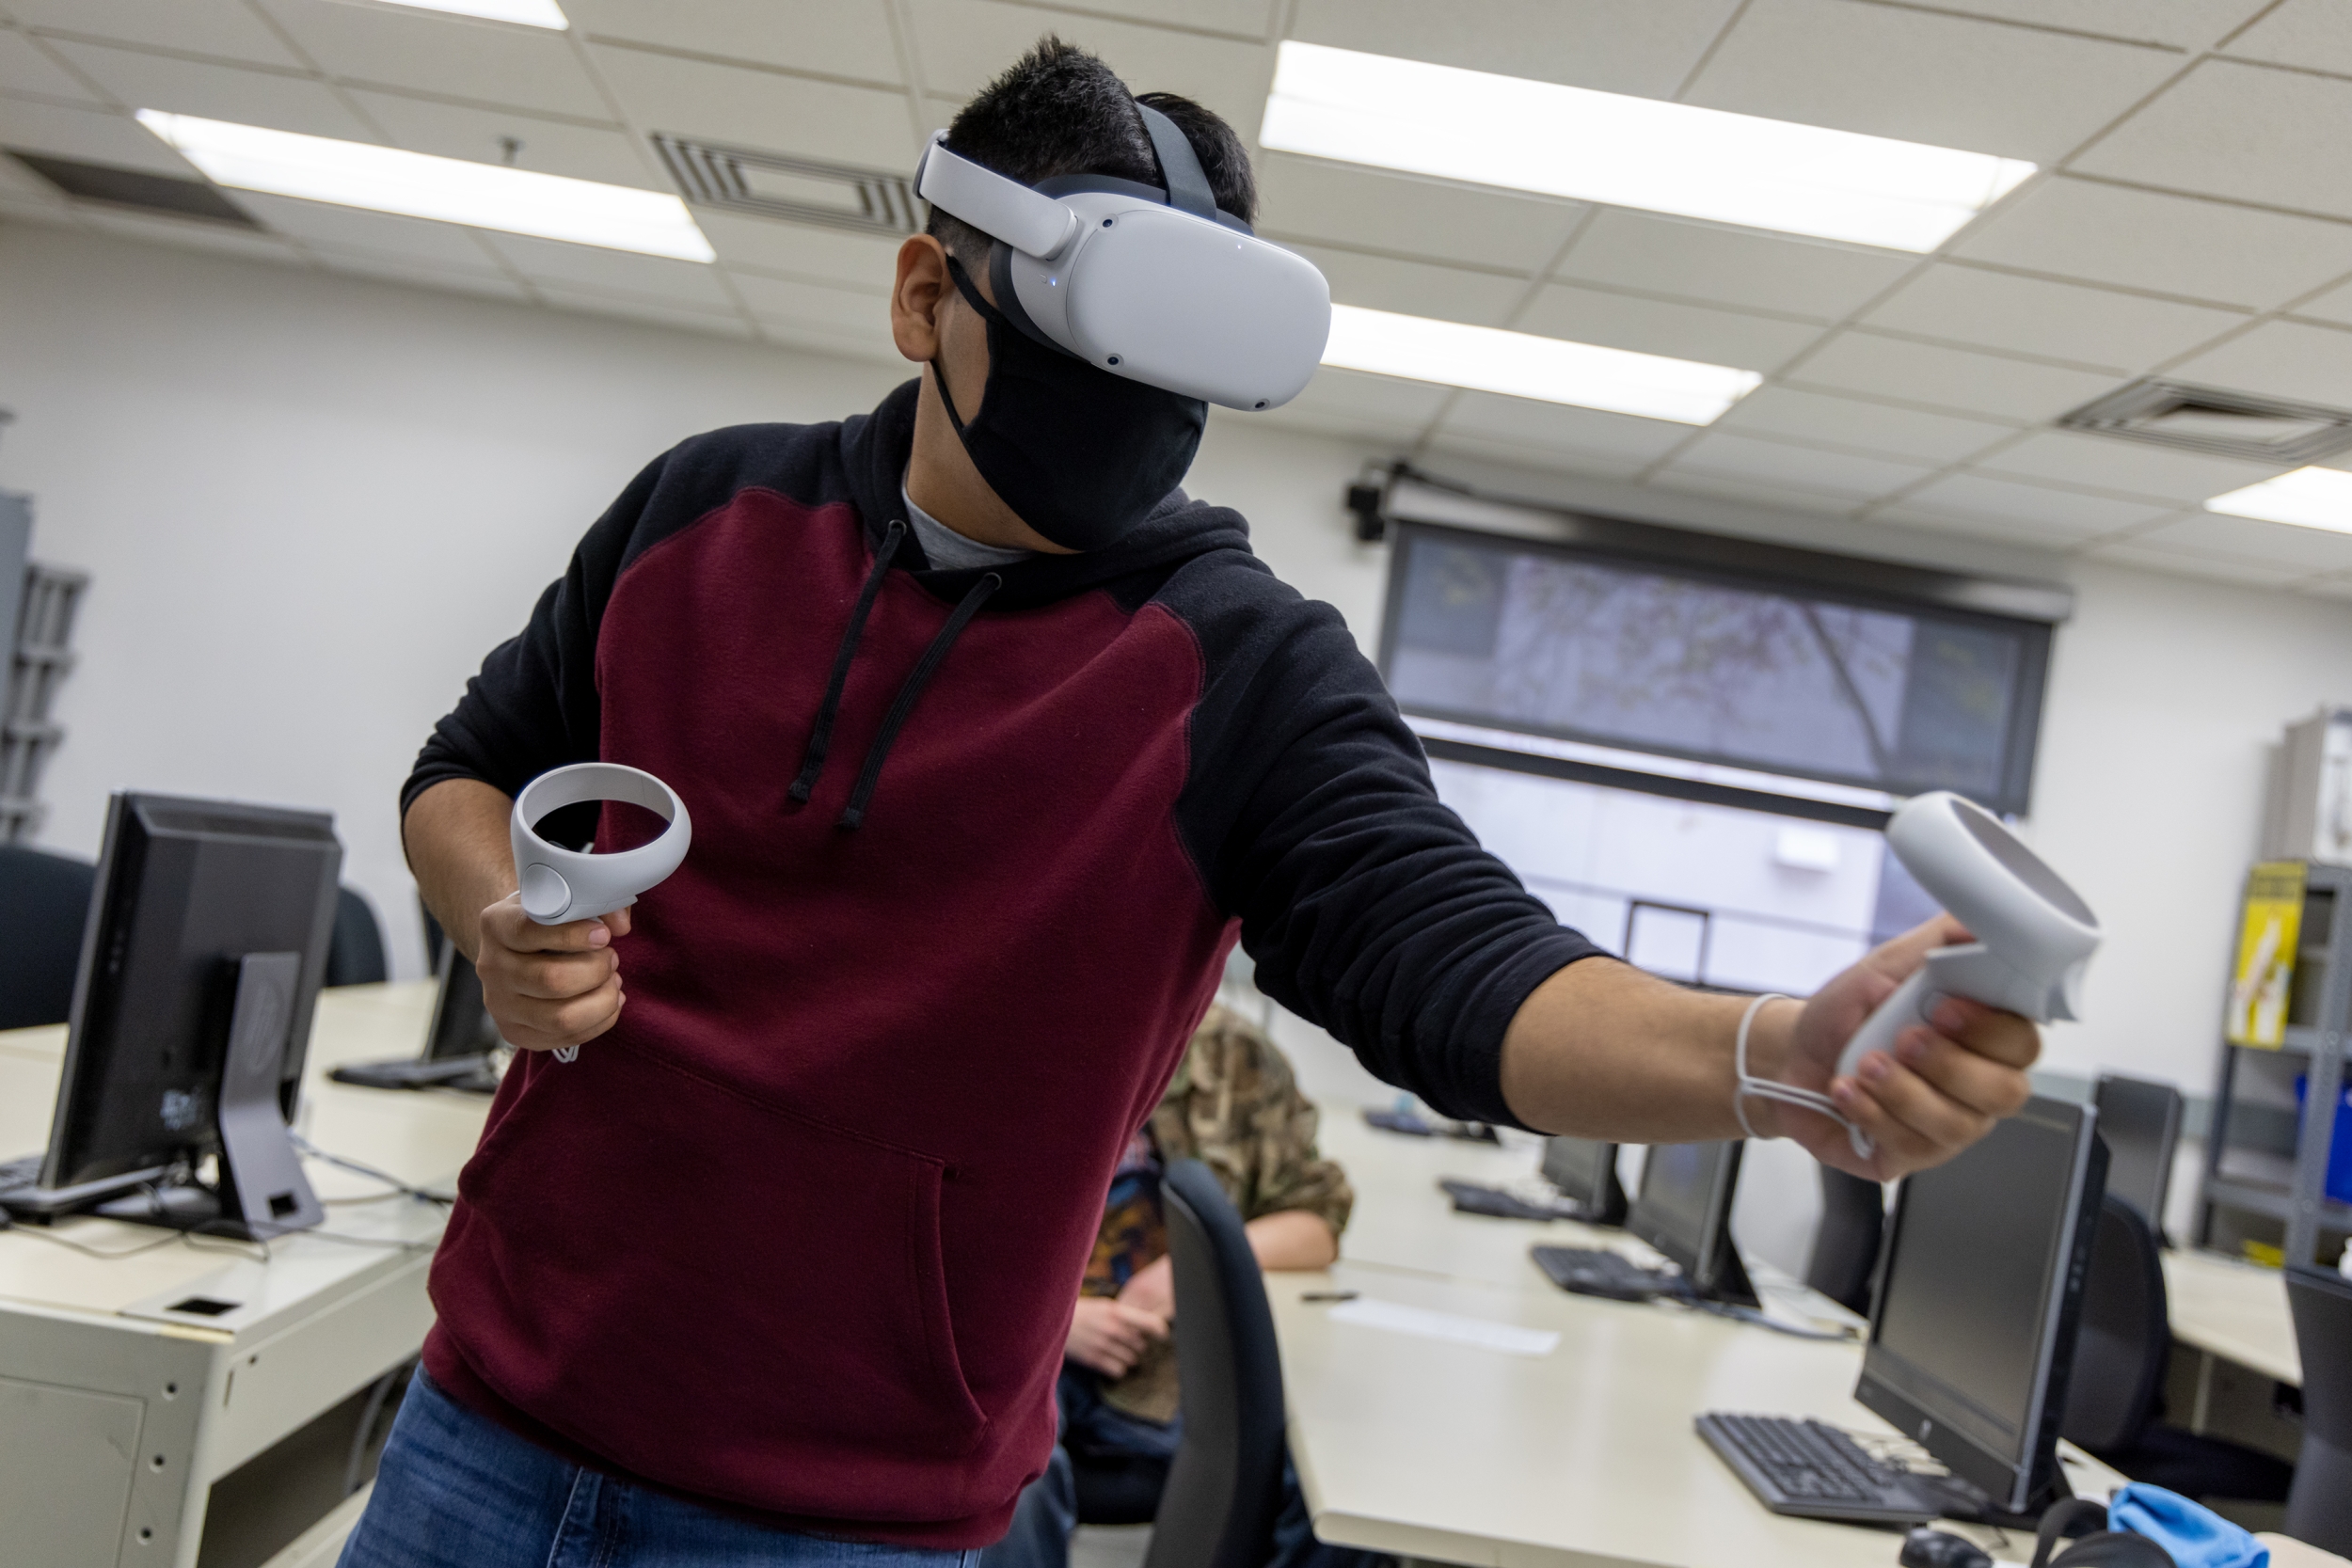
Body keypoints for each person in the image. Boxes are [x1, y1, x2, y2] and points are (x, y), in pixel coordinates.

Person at [344, 38, 2039, 1568]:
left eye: (1172, 407)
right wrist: (500, 915)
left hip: (854, 1521)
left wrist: (1770, 1057)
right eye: (1087, 382)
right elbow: (469, 767)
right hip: (485, 1419)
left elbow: (1463, 967)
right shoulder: (697, 512)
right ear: (925, 294)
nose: (1131, 444)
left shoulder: (1239, 672)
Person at [982, 1003, 1366, 1568]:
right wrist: (1060, 1324)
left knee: (1336, 1494)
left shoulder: (1232, 1055)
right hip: (1024, 1350)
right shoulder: (998, 1041)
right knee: (1006, 1476)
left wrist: (1198, 1265)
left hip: (1172, 1365)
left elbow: (1316, 1224)